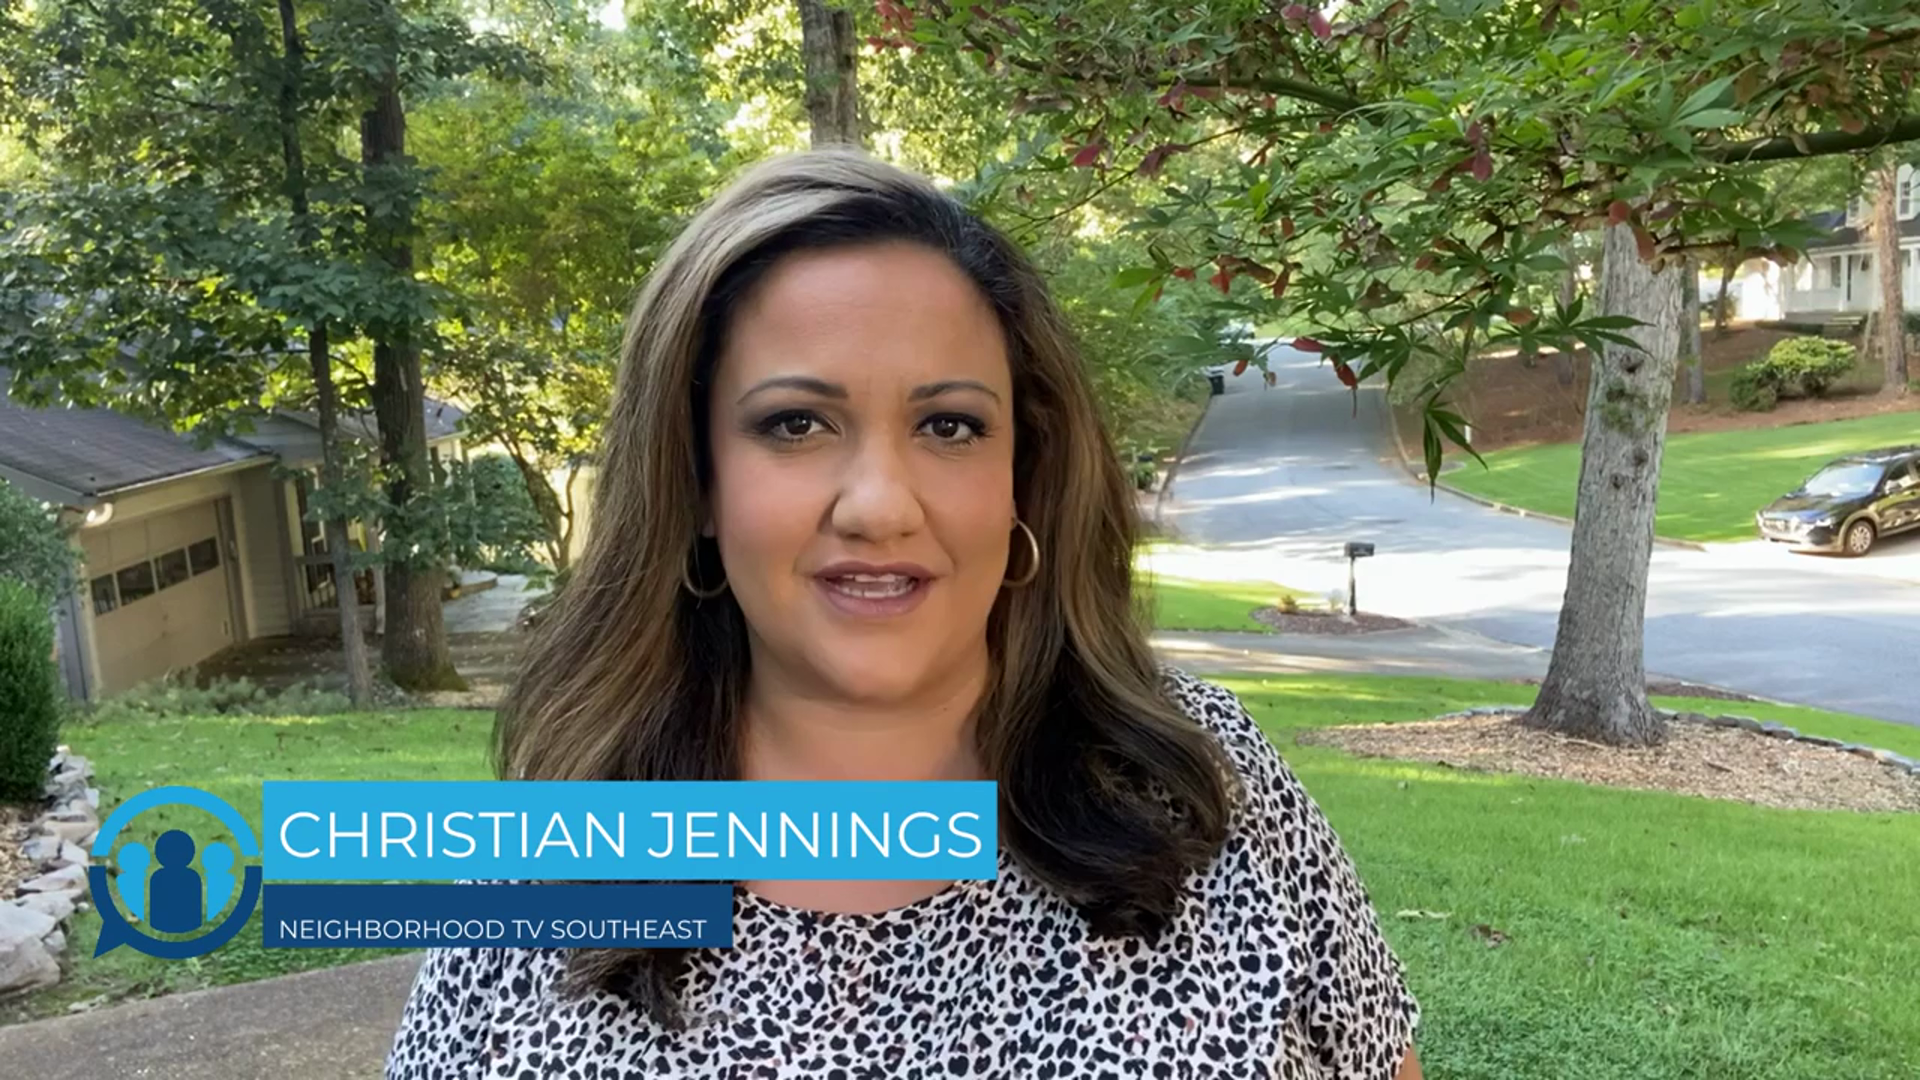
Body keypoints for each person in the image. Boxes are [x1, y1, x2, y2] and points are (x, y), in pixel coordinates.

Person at [386, 149, 1421, 1079]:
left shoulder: (1201, 780)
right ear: (695, 479)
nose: (880, 506)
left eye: (949, 426)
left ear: (1024, 471)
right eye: (796, 423)